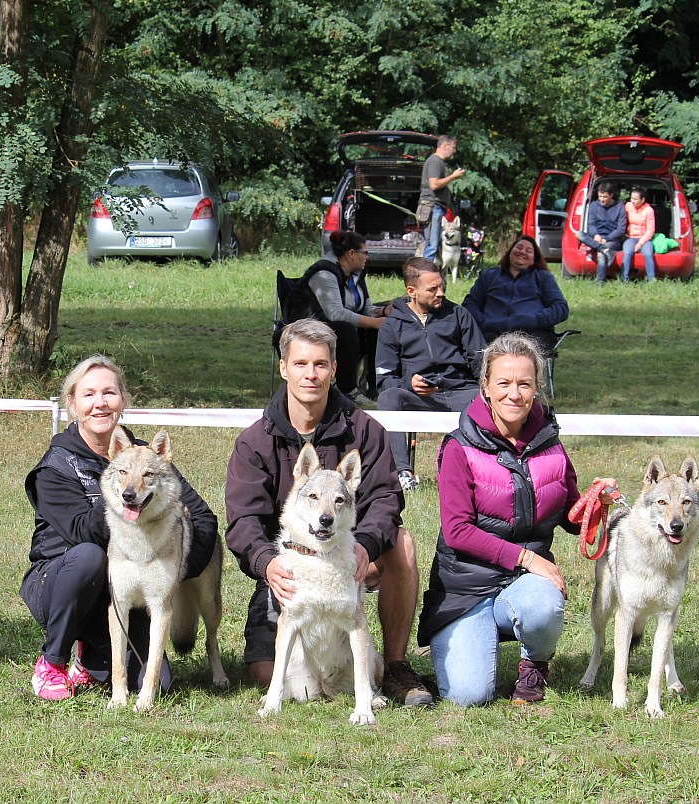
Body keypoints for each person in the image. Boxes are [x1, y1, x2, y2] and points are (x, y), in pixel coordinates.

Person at [225, 318, 433, 707]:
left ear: (335, 368)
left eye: (320, 364)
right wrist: (266, 564)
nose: (311, 374)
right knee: (264, 675)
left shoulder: (365, 431)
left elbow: (386, 500)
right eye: (300, 364)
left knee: (402, 543)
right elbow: (242, 523)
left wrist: (366, 546)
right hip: (289, 569)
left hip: (350, 560)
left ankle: (395, 665)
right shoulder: (254, 442)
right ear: (283, 367)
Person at [418, 332, 618, 707]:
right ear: (486, 388)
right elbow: (458, 531)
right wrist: (528, 558)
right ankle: (473, 633)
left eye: (524, 383)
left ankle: (534, 664)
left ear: (536, 388)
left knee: (543, 603)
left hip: (525, 585)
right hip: (465, 589)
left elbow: (572, 518)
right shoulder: (458, 447)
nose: (515, 393)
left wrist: (597, 504)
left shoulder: (551, 443)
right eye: (504, 383)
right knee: (468, 697)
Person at [21, 354, 218, 701]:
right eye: (89, 394)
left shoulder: (147, 460)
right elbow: (84, 532)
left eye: (109, 393)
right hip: (62, 585)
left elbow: (203, 518)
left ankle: (91, 659)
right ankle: (52, 661)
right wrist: (122, 499)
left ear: (122, 400)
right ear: (72, 403)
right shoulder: (55, 466)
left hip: (127, 589)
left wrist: (177, 568)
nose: (100, 403)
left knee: (160, 686)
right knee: (89, 556)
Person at [376, 258, 486, 492]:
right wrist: (409, 383)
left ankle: (487, 468)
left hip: (460, 391)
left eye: (442, 286)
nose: (441, 292)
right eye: (433, 288)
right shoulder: (392, 326)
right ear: (411, 291)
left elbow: (481, 360)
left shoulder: (459, 315)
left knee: (490, 397)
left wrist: (490, 387)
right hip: (420, 397)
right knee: (389, 398)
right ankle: (403, 473)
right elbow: (384, 379)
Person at [286, 230, 392, 406]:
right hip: (307, 326)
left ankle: (375, 387)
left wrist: (384, 312)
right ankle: (348, 390)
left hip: (335, 325)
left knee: (378, 329)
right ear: (351, 254)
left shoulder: (357, 274)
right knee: (347, 330)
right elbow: (335, 313)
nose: (367, 257)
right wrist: (374, 322)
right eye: (365, 252)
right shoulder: (324, 273)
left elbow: (366, 308)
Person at [462, 235, 570, 354]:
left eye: (529, 251)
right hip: (492, 332)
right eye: (519, 247)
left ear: (534, 259)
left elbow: (560, 308)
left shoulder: (543, 277)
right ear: (510, 252)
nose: (522, 252)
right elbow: (470, 303)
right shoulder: (489, 276)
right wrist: (483, 321)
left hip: (532, 334)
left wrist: (535, 319)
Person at [419, 136, 466, 260]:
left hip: (436, 208)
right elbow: (434, 184)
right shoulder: (435, 161)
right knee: (432, 245)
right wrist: (453, 176)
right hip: (433, 207)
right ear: (445, 146)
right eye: (453, 148)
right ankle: (424, 275)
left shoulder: (439, 162)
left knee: (434, 244)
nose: (454, 151)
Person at [575, 181, 626, 283]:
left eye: (605, 197)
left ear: (611, 195)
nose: (602, 199)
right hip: (597, 237)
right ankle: (605, 250)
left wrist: (605, 239)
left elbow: (621, 229)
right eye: (600, 196)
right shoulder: (594, 206)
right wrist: (596, 235)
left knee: (600, 254)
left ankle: (599, 281)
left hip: (612, 239)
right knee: (579, 234)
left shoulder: (620, 207)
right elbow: (591, 224)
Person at [622, 186, 656, 282]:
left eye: (635, 199)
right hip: (631, 237)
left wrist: (640, 243)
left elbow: (650, 230)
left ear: (642, 200)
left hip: (645, 238)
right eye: (631, 198)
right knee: (628, 252)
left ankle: (651, 279)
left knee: (648, 254)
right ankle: (624, 279)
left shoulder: (649, 211)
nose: (632, 201)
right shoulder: (628, 206)